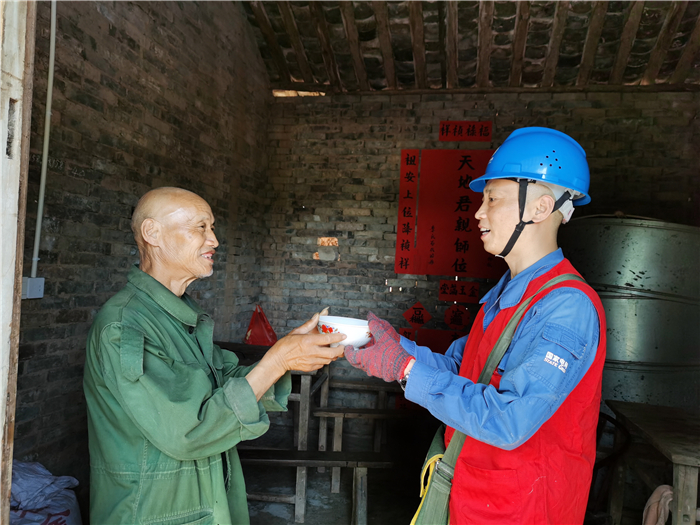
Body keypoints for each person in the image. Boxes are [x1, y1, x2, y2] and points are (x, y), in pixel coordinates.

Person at [345, 127, 607, 524]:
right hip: (475, 495)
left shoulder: (566, 307)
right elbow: (462, 369)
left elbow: (510, 420)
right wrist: (392, 347)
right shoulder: (507, 293)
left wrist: (405, 368)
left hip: (523, 511)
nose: (478, 213)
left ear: (539, 208)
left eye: (492, 199)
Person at [83, 187, 345, 525]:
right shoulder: (124, 326)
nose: (214, 240)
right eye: (200, 227)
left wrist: (288, 353)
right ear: (152, 233)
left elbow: (225, 381)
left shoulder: (178, 315)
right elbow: (189, 431)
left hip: (201, 499)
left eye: (212, 227)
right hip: (151, 509)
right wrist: (277, 360)